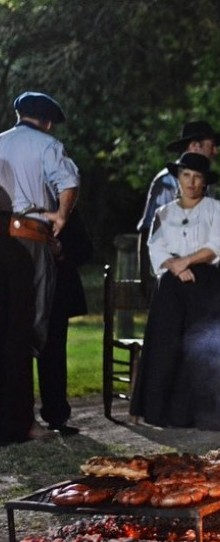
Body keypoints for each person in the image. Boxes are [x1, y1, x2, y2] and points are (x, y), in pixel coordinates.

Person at [130, 153, 220, 432]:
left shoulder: (215, 209)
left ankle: (209, 414)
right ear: (179, 178)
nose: (192, 182)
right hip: (172, 285)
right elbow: (155, 247)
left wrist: (187, 261)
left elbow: (216, 245)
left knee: (204, 347)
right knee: (166, 345)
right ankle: (164, 412)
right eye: (186, 175)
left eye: (197, 177)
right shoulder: (165, 212)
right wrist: (174, 265)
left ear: (205, 181)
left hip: (204, 284)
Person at [0, 91, 79, 443]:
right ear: (46, 120)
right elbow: (69, 183)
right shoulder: (48, 144)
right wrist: (61, 216)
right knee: (32, 326)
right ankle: (25, 419)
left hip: (1, 235)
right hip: (30, 237)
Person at [136, 120, 220, 297]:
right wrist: (150, 279)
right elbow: (151, 231)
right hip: (174, 276)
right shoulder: (167, 182)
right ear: (195, 145)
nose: (215, 151)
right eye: (212, 145)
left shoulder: (207, 183)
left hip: (203, 276)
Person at [37, 212, 93, 436]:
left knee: (53, 353)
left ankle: (56, 415)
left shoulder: (62, 209)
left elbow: (85, 250)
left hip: (57, 292)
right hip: (20, 287)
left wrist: (60, 250)